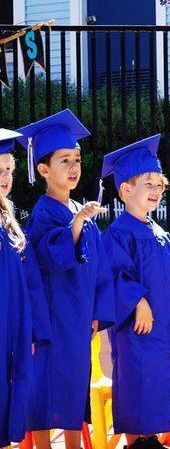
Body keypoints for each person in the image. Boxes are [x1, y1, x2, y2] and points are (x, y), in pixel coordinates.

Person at [17, 110, 115, 449]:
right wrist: (76, 223)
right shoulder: (43, 212)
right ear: (43, 169)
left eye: (76, 159)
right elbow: (50, 255)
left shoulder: (79, 209)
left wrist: (97, 311)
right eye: (64, 161)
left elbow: (100, 268)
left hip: (77, 319)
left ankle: (75, 444)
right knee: (44, 388)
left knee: (75, 385)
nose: (74, 167)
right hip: (51, 319)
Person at [101, 135, 170, 448]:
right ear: (126, 190)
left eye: (159, 184)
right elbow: (114, 273)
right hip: (137, 327)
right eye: (148, 183)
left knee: (155, 379)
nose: (156, 190)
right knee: (136, 378)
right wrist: (138, 301)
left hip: (160, 328)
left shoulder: (158, 231)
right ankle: (137, 441)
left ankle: (150, 438)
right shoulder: (119, 231)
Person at [0, 129, 48, 448]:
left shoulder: (7, 217)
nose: (6, 176)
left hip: (10, 331)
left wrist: (28, 330)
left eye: (10, 170)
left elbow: (25, 283)